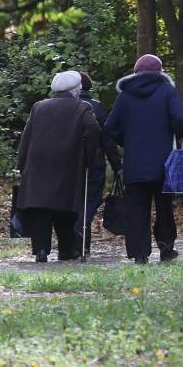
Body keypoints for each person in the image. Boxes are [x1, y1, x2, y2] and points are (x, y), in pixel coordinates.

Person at [103, 54, 183, 264]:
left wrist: (127, 143)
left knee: (137, 210)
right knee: (164, 207)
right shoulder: (167, 91)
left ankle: (140, 254)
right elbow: (180, 117)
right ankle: (166, 249)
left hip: (135, 164)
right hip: (164, 164)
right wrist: (175, 134)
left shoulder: (125, 96)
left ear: (136, 72)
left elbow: (109, 128)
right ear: (159, 72)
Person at [16, 70, 101, 262]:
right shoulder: (82, 107)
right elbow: (94, 131)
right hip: (68, 163)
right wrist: (87, 157)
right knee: (65, 207)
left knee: (40, 207)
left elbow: (26, 137)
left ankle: (41, 250)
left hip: (37, 162)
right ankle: (66, 249)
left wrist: (22, 163)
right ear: (76, 89)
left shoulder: (39, 106)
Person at [73, 71, 122, 256]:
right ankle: (82, 235)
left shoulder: (68, 106)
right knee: (91, 200)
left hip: (71, 163)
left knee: (76, 200)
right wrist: (117, 165)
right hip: (95, 161)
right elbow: (107, 139)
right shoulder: (97, 107)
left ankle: (77, 242)